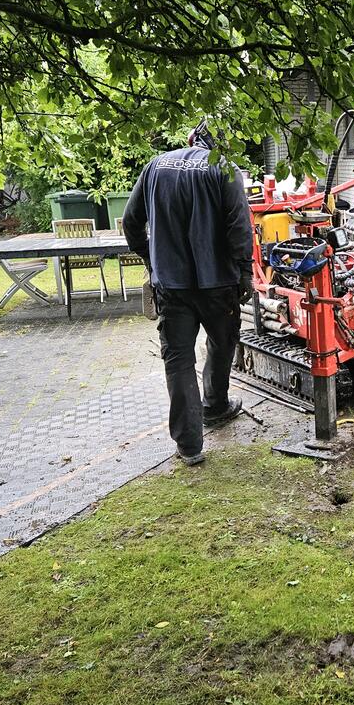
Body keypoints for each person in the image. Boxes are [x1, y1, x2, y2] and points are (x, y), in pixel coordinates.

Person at [122, 119, 254, 465]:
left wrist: (153, 262)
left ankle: (189, 445)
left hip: (172, 285)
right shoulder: (223, 168)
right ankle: (215, 405)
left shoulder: (155, 166)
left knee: (178, 360)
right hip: (218, 283)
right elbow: (239, 224)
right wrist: (245, 273)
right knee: (222, 343)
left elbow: (130, 222)